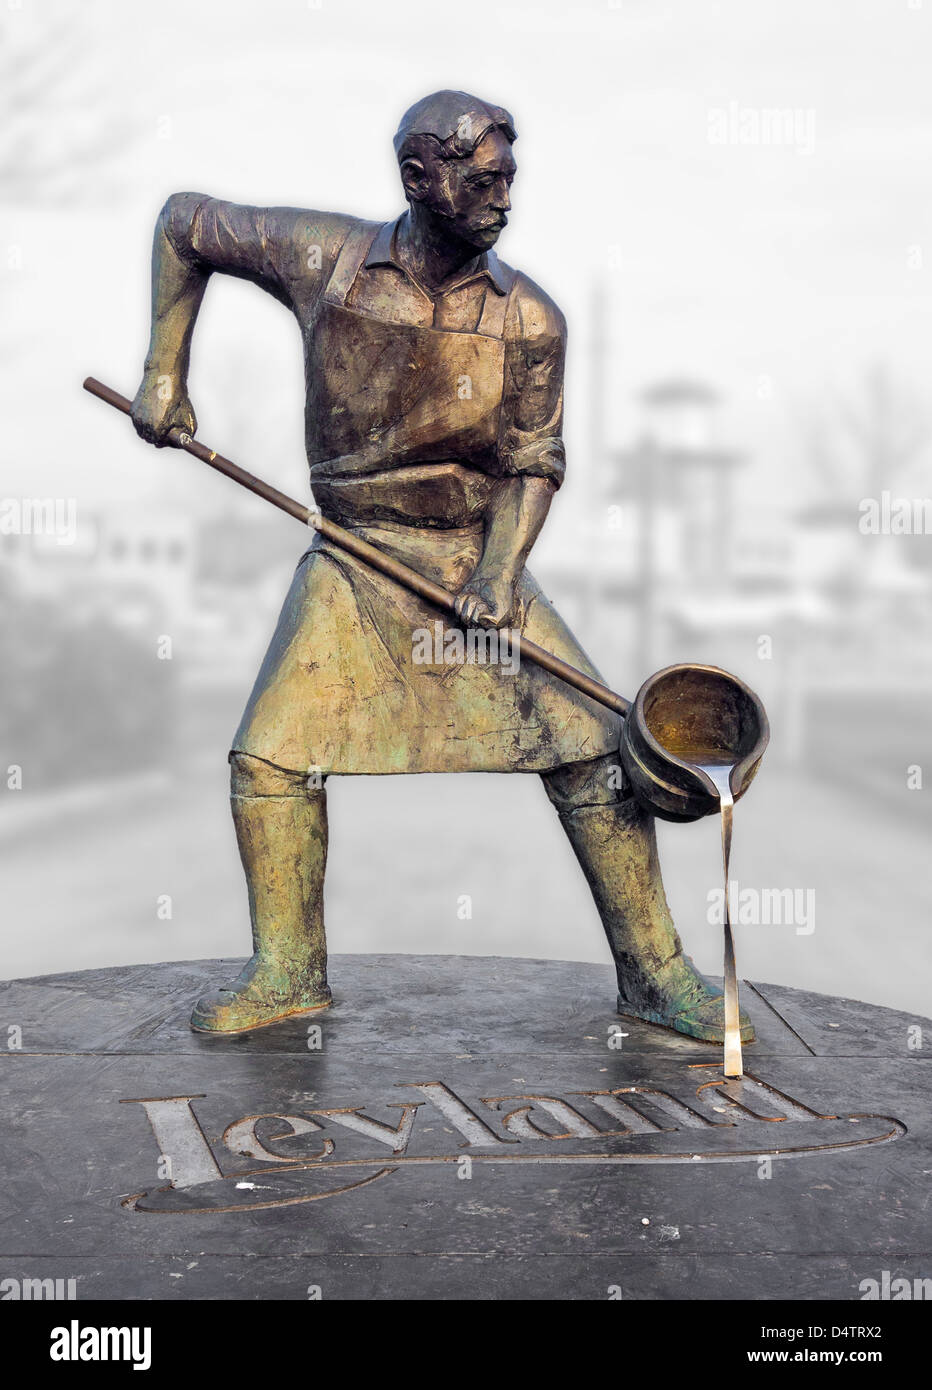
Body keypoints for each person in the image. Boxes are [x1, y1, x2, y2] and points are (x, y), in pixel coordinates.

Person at [131, 89, 753, 1044]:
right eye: (486, 179)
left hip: (470, 561)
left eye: (511, 178)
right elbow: (185, 223)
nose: (506, 197)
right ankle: (288, 973)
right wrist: (165, 374)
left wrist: (499, 579)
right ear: (421, 179)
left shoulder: (530, 320)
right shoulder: (321, 255)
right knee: (269, 760)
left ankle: (656, 977)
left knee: (595, 751)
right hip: (352, 555)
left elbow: (535, 464)